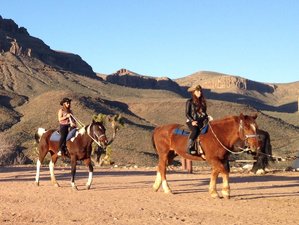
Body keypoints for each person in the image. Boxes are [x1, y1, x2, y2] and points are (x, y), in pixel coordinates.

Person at [185, 84, 208, 155]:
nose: (200, 93)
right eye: (198, 91)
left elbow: (204, 113)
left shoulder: (203, 102)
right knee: (195, 131)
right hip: (191, 121)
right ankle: (189, 147)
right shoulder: (189, 102)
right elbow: (187, 113)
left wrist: (207, 117)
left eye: (200, 91)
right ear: (194, 92)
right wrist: (192, 121)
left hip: (201, 122)